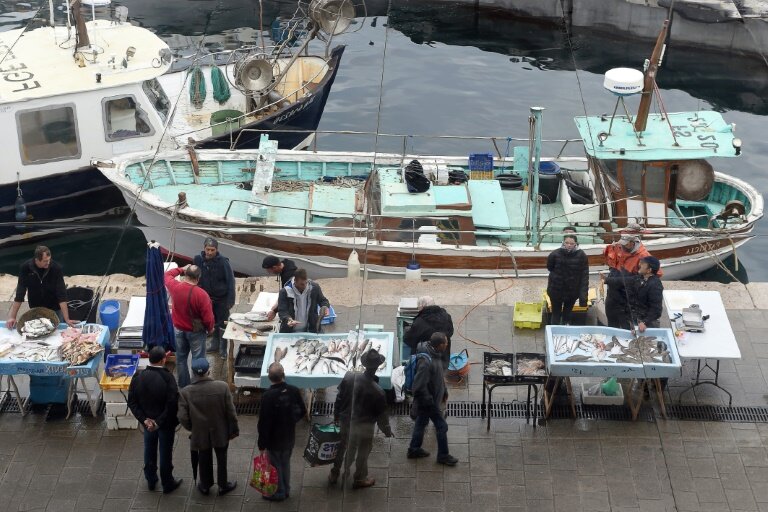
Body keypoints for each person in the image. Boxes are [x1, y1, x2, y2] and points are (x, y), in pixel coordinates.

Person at [329, 349, 394, 488]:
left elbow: (339, 398)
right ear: (377, 367)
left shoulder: (349, 376)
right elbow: (382, 417)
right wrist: (387, 431)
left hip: (346, 420)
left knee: (342, 447)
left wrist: (336, 415)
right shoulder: (379, 392)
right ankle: (359, 478)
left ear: (364, 364)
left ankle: (334, 473)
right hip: (364, 427)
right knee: (363, 451)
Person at [178, 358, 239, 496]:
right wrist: (233, 429)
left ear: (193, 373)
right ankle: (223, 485)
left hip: (200, 433)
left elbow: (182, 417)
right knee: (222, 458)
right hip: (221, 431)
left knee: (204, 458)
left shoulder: (186, 392)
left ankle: (205, 485)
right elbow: (231, 412)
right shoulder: (222, 387)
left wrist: (192, 428)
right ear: (209, 371)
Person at [127, 346, 183, 494]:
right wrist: (158, 422)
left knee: (149, 451)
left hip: (148, 424)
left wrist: (145, 420)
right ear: (163, 360)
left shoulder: (138, 376)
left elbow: (132, 402)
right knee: (165, 454)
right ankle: (167, 482)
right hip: (164, 424)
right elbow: (171, 404)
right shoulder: (167, 377)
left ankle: (151, 480)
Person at [257, 363, 306, 501]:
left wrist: (261, 444)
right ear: (283, 374)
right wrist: (291, 421)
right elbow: (302, 411)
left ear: (269, 378)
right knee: (285, 463)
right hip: (289, 437)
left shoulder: (267, 396)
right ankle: (286, 489)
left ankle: (279, 492)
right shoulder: (294, 390)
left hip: (274, 440)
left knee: (275, 465)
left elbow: (264, 423)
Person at [408, 332, 458, 466]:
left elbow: (438, 377)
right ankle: (443, 455)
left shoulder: (435, 355)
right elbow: (418, 386)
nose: (447, 345)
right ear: (440, 345)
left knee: (420, 424)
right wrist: (429, 401)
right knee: (442, 426)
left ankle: (414, 449)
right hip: (429, 402)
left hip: (432, 399)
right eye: (445, 343)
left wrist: (444, 390)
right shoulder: (426, 362)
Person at [164, 265, 215, 388]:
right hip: (196, 332)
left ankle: (184, 386)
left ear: (185, 275)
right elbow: (208, 318)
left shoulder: (174, 287)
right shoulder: (202, 295)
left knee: (181, 359)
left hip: (178, 329)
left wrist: (181, 268)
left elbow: (166, 275)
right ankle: (197, 385)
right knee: (198, 359)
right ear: (198, 278)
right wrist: (210, 328)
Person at [7, 246, 77, 329]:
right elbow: (20, 294)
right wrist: (12, 317)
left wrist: (67, 319)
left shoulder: (56, 268)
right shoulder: (25, 268)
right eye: (45, 261)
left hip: (54, 309)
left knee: (56, 332)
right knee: (37, 331)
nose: (48, 262)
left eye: (49, 259)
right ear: (37, 260)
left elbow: (61, 295)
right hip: (36, 309)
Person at [600, 228, 652, 330]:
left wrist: (610, 280)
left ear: (633, 242)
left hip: (628, 297)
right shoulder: (619, 247)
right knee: (611, 321)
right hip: (612, 293)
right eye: (621, 243)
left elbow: (641, 279)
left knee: (626, 326)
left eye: (626, 243)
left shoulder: (644, 256)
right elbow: (607, 255)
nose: (622, 246)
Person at [193, 238, 235, 359]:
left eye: (212, 250)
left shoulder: (223, 262)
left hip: (221, 299)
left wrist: (230, 300)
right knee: (212, 322)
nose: (210, 252)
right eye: (208, 249)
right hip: (206, 299)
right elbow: (194, 278)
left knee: (222, 323)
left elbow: (230, 281)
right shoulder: (198, 260)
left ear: (217, 250)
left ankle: (223, 348)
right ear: (204, 248)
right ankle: (215, 344)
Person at [546, 234, 589, 325]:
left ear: (576, 244)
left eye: (571, 243)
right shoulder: (554, 254)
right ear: (563, 243)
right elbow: (550, 267)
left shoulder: (582, 255)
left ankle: (566, 328)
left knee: (568, 314)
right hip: (556, 291)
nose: (569, 245)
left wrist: (583, 296)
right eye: (567, 243)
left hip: (572, 292)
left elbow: (584, 276)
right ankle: (554, 331)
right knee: (555, 313)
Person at [402, 296, 454, 366]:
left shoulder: (419, 322)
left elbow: (408, 340)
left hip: (426, 360)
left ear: (422, 307)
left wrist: (408, 330)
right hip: (444, 356)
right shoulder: (447, 316)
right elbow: (450, 332)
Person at [277, 268, 330, 333]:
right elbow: (282, 311)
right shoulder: (284, 292)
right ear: (295, 281)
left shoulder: (314, 288)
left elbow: (323, 301)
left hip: (311, 329)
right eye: (301, 284)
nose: (304, 286)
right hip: (289, 331)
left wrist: (325, 307)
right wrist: (288, 320)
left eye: (306, 283)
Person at [630, 256, 664, 332]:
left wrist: (645, 322)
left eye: (643, 264)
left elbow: (656, 310)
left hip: (649, 323)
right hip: (638, 318)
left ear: (649, 270)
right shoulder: (641, 278)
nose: (640, 265)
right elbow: (625, 280)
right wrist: (608, 280)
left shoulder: (655, 285)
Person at [262, 256, 298, 321]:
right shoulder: (286, 263)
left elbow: (287, 297)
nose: (270, 273)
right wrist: (277, 303)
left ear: (274, 267)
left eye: (270, 271)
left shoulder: (289, 276)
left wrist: (274, 311)